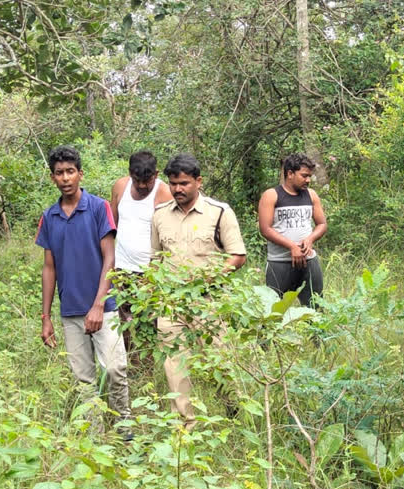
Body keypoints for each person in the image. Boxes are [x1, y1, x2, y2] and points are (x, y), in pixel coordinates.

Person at [36, 145, 132, 437]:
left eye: (70, 172)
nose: (65, 178)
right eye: (59, 173)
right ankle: (96, 439)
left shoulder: (98, 207)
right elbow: (49, 268)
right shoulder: (49, 216)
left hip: (105, 307)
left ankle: (125, 430)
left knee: (115, 369)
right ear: (52, 178)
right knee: (84, 380)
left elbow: (110, 258)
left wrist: (99, 305)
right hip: (71, 311)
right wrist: (46, 317)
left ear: (80, 174)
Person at [150, 153, 246, 427]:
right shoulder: (159, 216)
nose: (178, 189)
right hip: (171, 306)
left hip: (211, 304)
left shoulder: (219, 212)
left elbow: (237, 256)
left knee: (220, 367)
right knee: (175, 370)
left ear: (198, 182)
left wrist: (207, 279)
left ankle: (235, 414)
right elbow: (155, 260)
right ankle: (184, 431)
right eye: (173, 183)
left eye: (184, 183)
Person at [110, 151, 172, 362]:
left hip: (150, 273)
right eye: (138, 181)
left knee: (147, 327)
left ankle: (146, 376)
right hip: (121, 270)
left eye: (148, 180)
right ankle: (129, 368)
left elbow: (168, 240)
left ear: (156, 173)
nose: (143, 186)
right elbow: (113, 227)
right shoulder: (120, 187)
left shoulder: (164, 193)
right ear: (130, 174)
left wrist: (153, 275)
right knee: (124, 324)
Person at [257, 153, 327, 307]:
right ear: (290, 173)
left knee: (315, 308)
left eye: (309, 176)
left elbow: (322, 224)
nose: (308, 180)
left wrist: (310, 239)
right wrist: (291, 246)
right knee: (272, 311)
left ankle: (314, 332)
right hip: (280, 263)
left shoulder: (311, 195)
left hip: (308, 261)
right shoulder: (272, 195)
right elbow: (265, 229)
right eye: (304, 176)